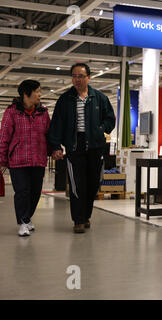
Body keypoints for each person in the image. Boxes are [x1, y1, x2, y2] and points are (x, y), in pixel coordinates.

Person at [48, 63, 116, 234]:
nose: (77, 79)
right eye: (74, 76)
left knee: (93, 183)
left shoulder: (99, 97)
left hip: (95, 145)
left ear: (88, 77)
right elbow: (56, 124)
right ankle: (78, 220)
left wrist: (101, 129)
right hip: (74, 146)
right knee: (77, 185)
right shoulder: (65, 99)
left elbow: (110, 118)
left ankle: (86, 216)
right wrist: (56, 146)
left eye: (80, 76)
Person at [0, 80, 50, 236]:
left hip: (38, 160)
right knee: (22, 192)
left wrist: (53, 150)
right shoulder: (11, 112)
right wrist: (2, 160)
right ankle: (22, 223)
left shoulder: (43, 112)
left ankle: (27, 218)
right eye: (37, 91)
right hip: (18, 160)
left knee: (35, 193)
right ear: (26, 94)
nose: (40, 94)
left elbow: (49, 134)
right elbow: (4, 137)